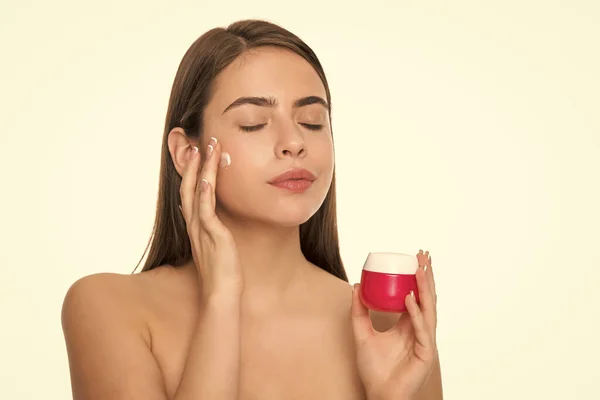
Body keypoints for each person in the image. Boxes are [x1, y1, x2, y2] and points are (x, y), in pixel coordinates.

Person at [61, 19, 443, 400]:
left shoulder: (389, 327)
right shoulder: (107, 307)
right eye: (253, 123)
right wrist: (222, 297)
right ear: (187, 152)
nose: (293, 142)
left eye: (312, 122)